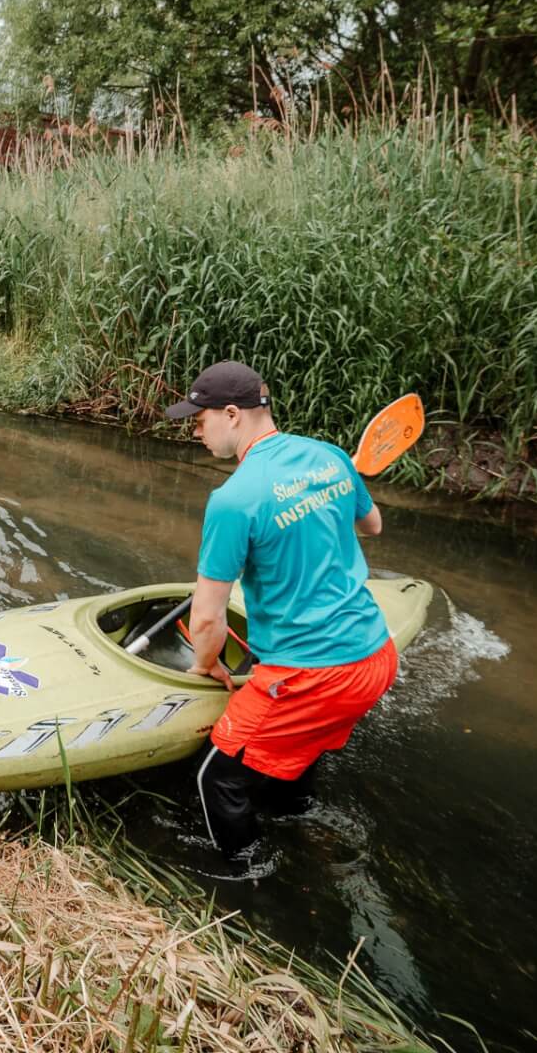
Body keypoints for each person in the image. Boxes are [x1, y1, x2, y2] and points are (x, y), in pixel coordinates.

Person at [168, 360, 392, 860]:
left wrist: (206, 665)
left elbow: (206, 618)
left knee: (216, 779)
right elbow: (372, 525)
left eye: (199, 420)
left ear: (232, 414)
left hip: (313, 672)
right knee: (297, 748)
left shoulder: (234, 499)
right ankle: (298, 818)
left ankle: (252, 881)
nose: (196, 432)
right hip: (375, 655)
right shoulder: (330, 457)